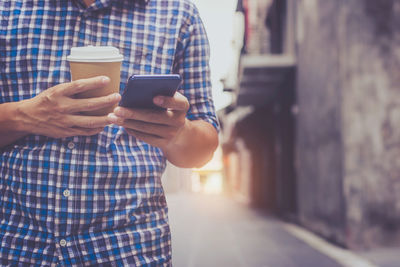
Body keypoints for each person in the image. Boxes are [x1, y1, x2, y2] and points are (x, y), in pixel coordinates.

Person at [0, 0, 219, 265]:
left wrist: (178, 132)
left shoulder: (179, 15)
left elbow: (202, 150)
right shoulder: (7, 8)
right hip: (15, 244)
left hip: (127, 250)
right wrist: (25, 116)